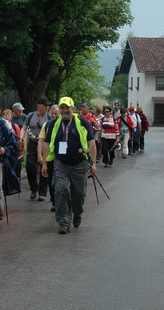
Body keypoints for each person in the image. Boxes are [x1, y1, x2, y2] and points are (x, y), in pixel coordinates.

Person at [41, 96, 96, 234]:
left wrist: (93, 163)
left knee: (78, 194)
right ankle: (64, 222)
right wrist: (45, 163)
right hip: (61, 164)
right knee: (60, 190)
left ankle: (77, 213)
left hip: (79, 164)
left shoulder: (82, 122)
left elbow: (91, 142)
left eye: (67, 107)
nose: (64, 110)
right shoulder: (53, 124)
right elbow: (46, 143)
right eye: (62, 107)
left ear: (72, 108)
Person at [21, 97, 51, 201]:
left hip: (45, 143)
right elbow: (24, 128)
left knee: (44, 165)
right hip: (33, 142)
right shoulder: (30, 116)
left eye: (42, 108)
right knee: (30, 166)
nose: (40, 110)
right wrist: (22, 139)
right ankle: (34, 188)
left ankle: (42, 192)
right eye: (38, 108)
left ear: (47, 108)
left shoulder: (50, 117)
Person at [38, 104, 60, 211]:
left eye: (56, 113)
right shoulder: (47, 125)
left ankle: (62, 201)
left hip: (62, 158)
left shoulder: (64, 125)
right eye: (52, 114)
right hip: (50, 158)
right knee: (51, 180)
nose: (54, 116)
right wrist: (40, 156)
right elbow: (41, 141)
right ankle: (54, 201)